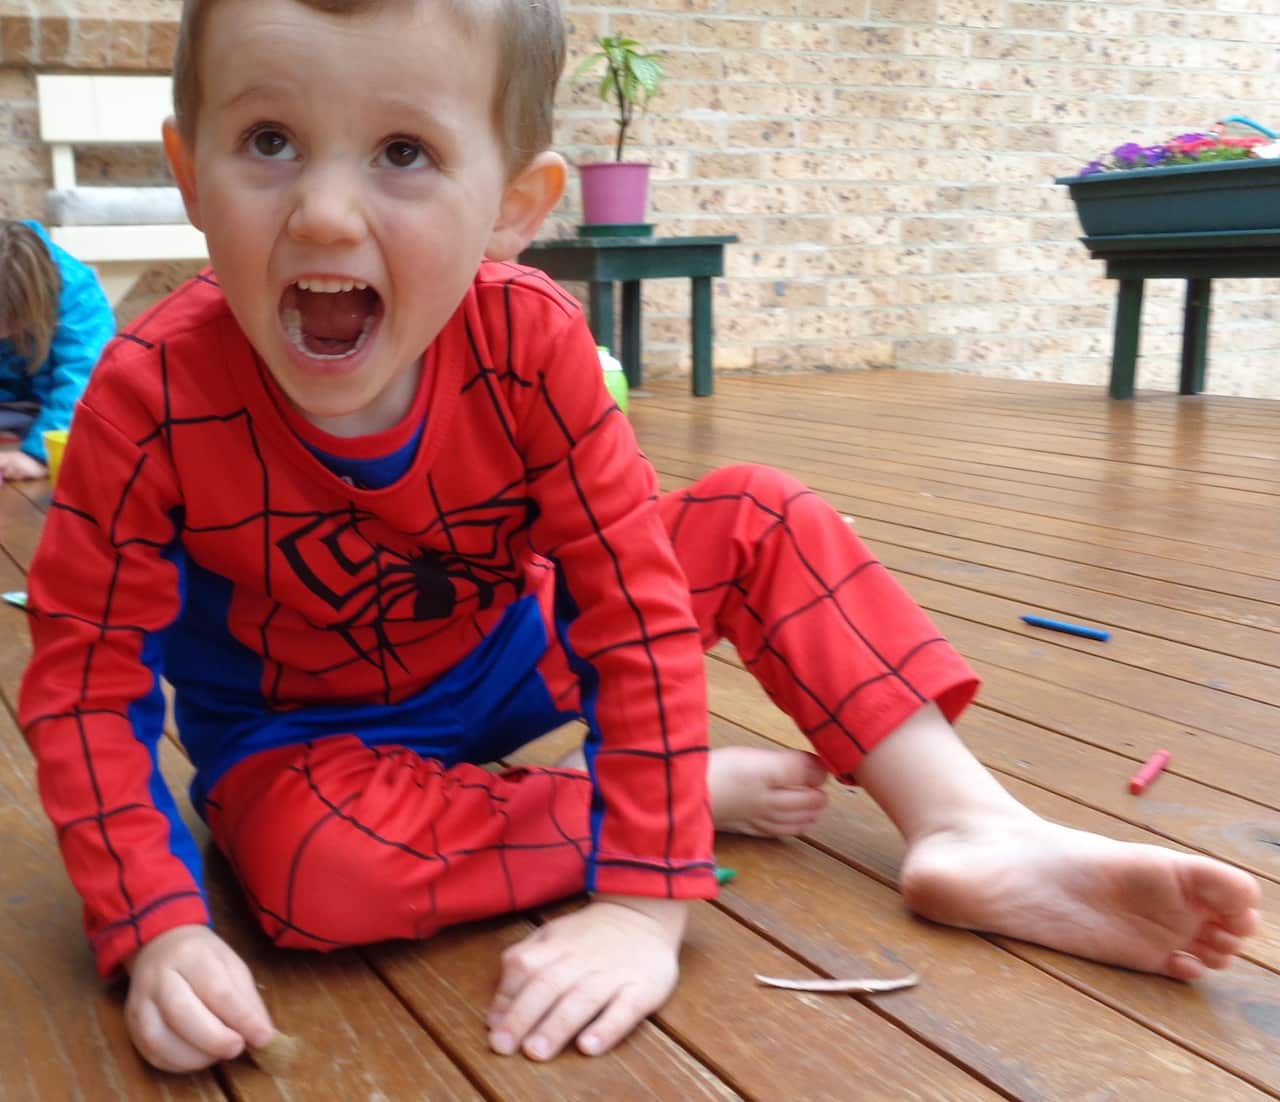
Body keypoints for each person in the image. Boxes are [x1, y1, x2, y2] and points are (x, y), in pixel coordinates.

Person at [18, 0, 1261, 1077]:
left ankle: (965, 823)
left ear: (512, 205)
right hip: (307, 743)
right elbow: (84, 685)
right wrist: (157, 926)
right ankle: (649, 796)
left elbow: (635, 608)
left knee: (756, 512)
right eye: (268, 141)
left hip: (514, 651)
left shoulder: (531, 342)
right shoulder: (147, 395)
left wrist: (643, 899)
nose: (327, 214)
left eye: (403, 151)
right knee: (306, 873)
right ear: (189, 171)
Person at [0, 219, 115, 480]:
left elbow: (83, 377)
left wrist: (37, 455)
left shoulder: (79, 293)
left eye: (10, 321)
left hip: (46, 410)